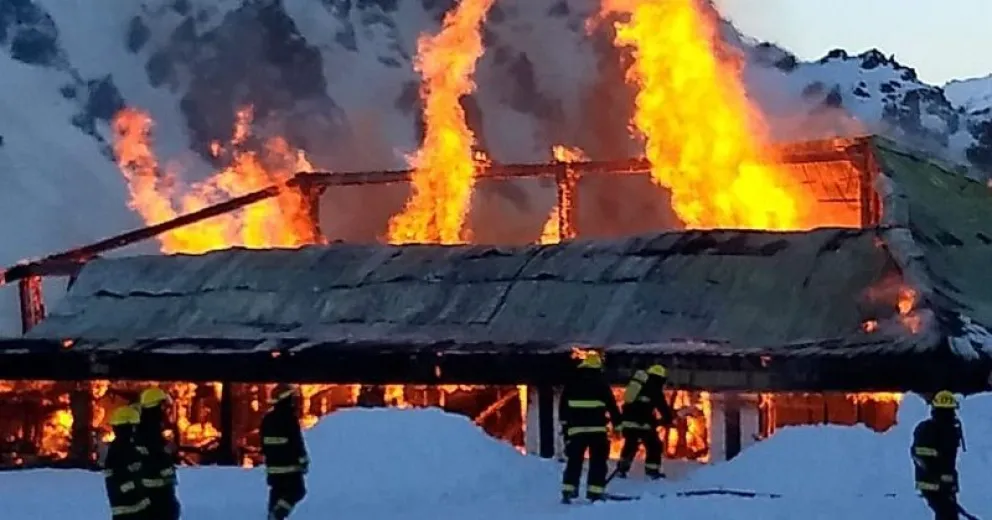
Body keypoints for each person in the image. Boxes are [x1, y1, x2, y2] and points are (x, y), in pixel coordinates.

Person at [558, 351, 621, 503]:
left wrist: (566, 427)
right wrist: (618, 426)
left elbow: (563, 407)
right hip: (597, 431)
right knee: (598, 462)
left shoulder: (572, 383)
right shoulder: (601, 384)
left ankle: (568, 491)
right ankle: (595, 492)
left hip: (576, 431)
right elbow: (612, 406)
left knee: (574, 461)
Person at [615, 364, 675, 480]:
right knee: (654, 445)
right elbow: (662, 406)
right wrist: (668, 418)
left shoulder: (638, 386)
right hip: (643, 424)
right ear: (659, 378)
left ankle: (622, 470)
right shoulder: (654, 387)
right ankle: (652, 471)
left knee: (630, 445)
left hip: (628, 422)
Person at [911, 390, 964, 520]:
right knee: (947, 515)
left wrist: (949, 482)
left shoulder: (951, 430)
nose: (952, 414)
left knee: (948, 515)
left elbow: (948, 461)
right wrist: (937, 478)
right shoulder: (928, 430)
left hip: (945, 484)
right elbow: (919, 455)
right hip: (933, 484)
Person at [261, 384, 310, 519]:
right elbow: (296, 442)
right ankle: (277, 514)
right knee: (297, 491)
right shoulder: (289, 418)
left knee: (277, 493)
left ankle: (273, 515)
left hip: (273, 468)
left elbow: (263, 444)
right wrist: (303, 460)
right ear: (286, 399)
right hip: (290, 467)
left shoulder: (267, 419)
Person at [136, 387, 180, 520]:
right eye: (163, 406)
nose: (165, 410)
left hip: (149, 491)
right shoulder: (151, 430)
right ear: (156, 406)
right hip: (158, 491)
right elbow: (156, 457)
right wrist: (167, 451)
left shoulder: (142, 427)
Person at [104, 405, 151, 519]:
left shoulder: (126, 449)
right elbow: (123, 482)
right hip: (130, 511)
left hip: (134, 510)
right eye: (134, 426)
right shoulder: (120, 452)